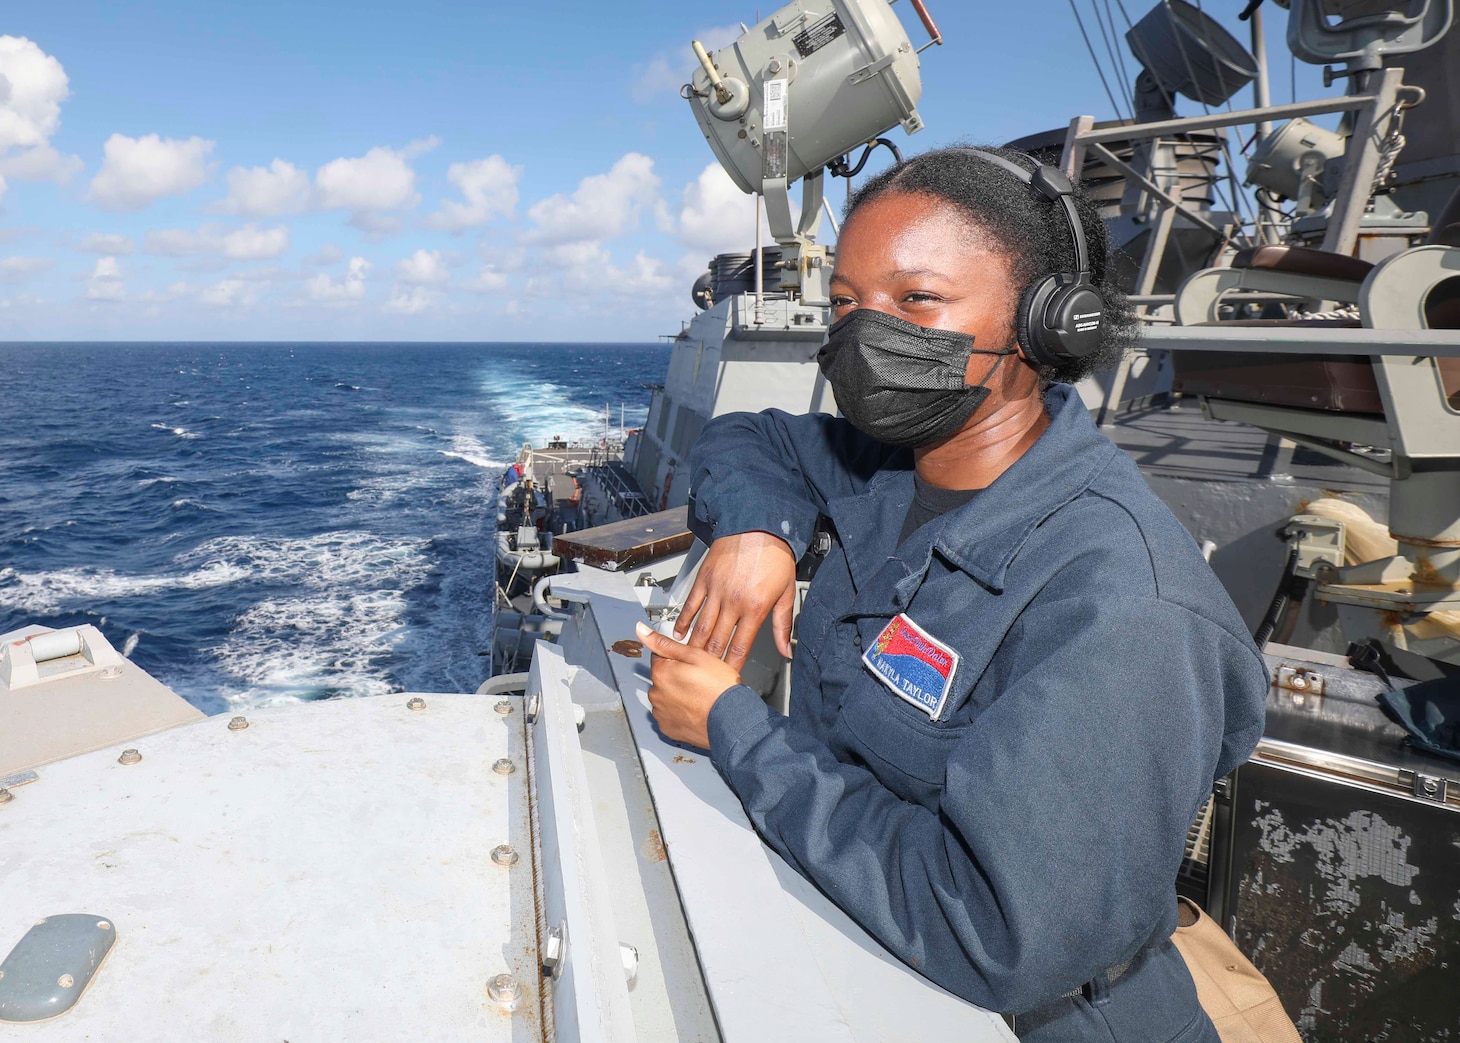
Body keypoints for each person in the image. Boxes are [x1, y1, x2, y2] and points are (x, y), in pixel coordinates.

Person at [633, 145, 1268, 1042]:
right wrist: (759, 531)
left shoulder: (1123, 606)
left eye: (916, 300)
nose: (861, 336)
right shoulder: (891, 467)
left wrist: (732, 725)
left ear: (1049, 326)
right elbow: (749, 439)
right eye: (846, 304)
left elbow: (994, 931)